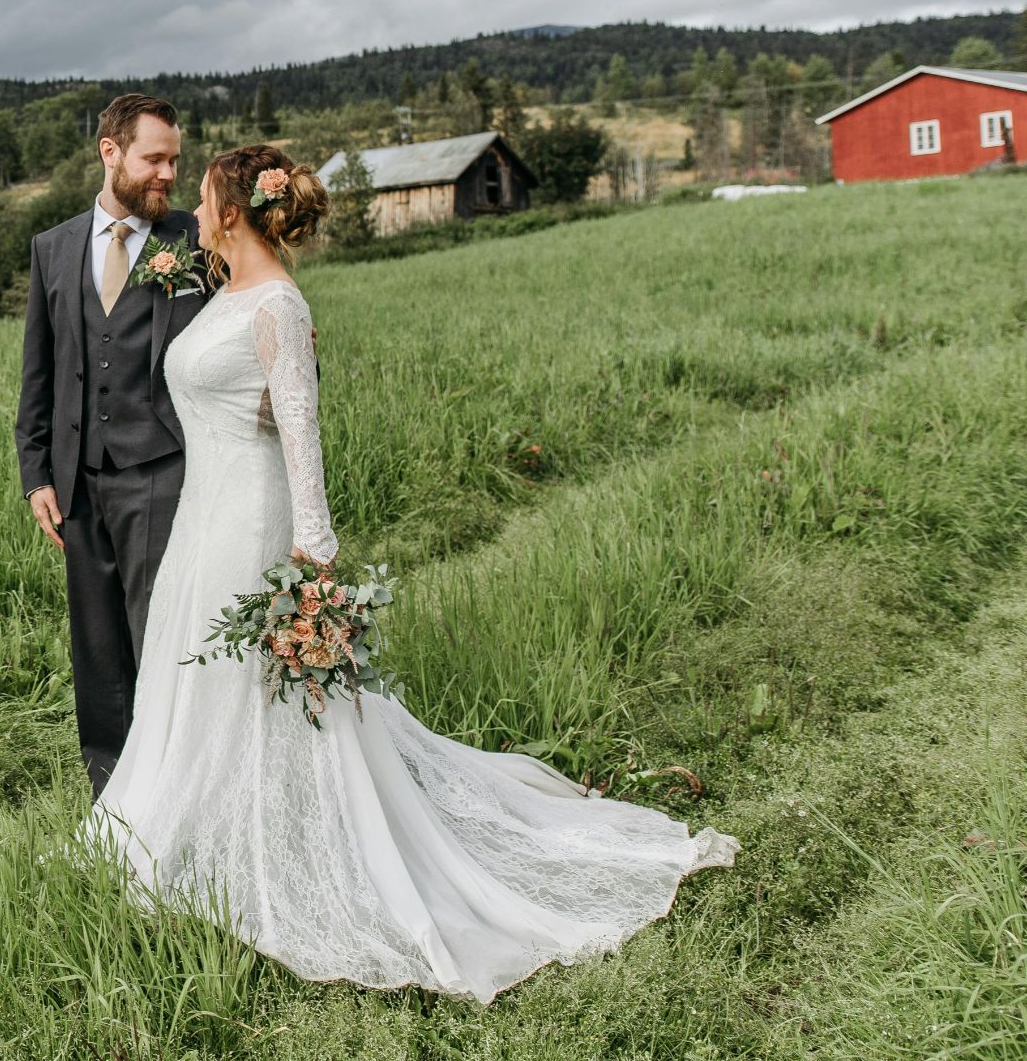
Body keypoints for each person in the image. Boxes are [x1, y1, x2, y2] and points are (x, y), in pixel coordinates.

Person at [74, 142, 740, 1004]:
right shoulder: (223, 288)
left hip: (252, 523)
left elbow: (302, 440)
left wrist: (313, 565)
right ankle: (213, 829)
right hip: (202, 517)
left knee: (263, 695)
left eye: (204, 198)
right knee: (206, 689)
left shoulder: (277, 304)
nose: (193, 212)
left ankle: (293, 846)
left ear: (234, 211)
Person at [15, 93, 211, 799]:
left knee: (160, 637)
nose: (168, 174)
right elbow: (38, 371)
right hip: (75, 483)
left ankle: (177, 791)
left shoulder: (196, 239)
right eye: (154, 159)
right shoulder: (54, 248)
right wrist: (36, 473)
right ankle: (113, 798)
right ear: (111, 152)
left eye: (174, 161)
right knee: (96, 648)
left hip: (161, 468)